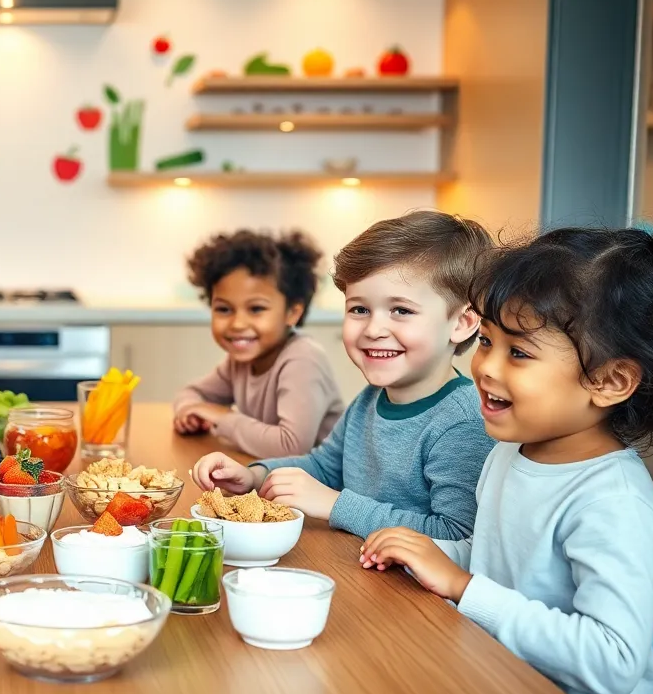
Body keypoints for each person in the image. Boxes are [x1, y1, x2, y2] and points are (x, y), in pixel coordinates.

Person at [361, 220, 653, 694]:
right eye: (486, 341)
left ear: (611, 381)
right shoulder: (510, 452)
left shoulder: (613, 504)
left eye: (519, 353)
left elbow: (613, 659)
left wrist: (461, 586)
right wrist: (430, 553)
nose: (484, 367)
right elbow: (504, 561)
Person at [192, 211, 495, 540]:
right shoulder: (371, 400)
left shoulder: (462, 421)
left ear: (462, 323)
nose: (374, 329)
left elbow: (456, 533)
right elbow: (324, 467)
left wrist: (335, 505)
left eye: (401, 310)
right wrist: (254, 477)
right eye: (359, 309)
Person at [173, 229, 343, 457]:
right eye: (224, 309)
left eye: (256, 309)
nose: (237, 323)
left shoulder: (303, 360)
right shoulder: (239, 362)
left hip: (325, 486)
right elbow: (193, 393)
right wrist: (189, 412)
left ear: (292, 312)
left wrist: (222, 417)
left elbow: (291, 446)